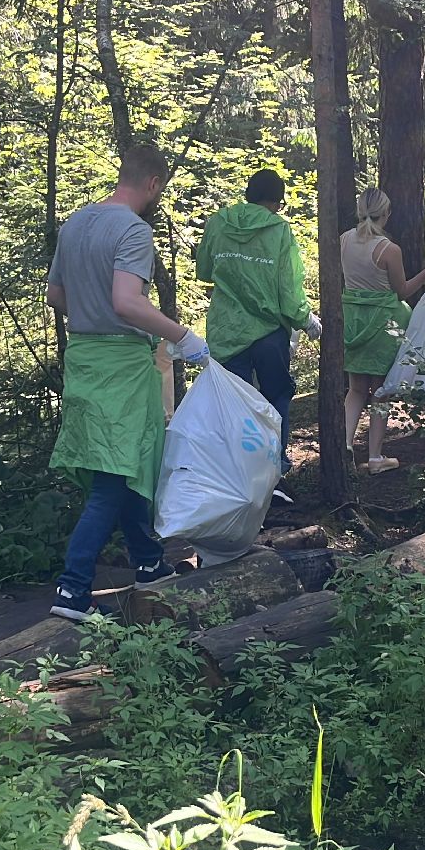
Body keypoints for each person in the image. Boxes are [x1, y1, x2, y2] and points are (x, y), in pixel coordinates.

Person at [46, 144, 209, 621]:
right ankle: (73, 590)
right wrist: (183, 336)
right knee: (113, 480)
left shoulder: (75, 223)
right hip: (122, 364)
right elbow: (127, 301)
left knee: (125, 468)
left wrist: (89, 313)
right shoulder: (134, 231)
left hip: (84, 360)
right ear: (154, 184)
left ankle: (149, 564)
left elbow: (56, 294)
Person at [195, 168, 319, 475]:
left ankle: (238, 472)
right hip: (269, 333)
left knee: (235, 403)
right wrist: (306, 319)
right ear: (277, 201)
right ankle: (275, 467)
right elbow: (288, 290)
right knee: (276, 395)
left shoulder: (219, 222)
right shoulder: (279, 230)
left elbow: (204, 270)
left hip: (227, 331)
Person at [341, 187, 425, 475]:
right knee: (381, 391)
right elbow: (402, 291)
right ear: (386, 214)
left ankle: (345, 446)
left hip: (353, 320)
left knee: (355, 388)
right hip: (385, 323)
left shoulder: (343, 241)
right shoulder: (388, 249)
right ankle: (375, 457)